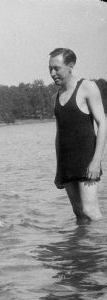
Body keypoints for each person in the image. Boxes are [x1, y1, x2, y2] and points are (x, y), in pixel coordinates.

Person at [49, 48, 107, 221]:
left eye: (57, 68)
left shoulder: (87, 87)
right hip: (66, 162)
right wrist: (59, 168)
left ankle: (101, 246)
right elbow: (59, 134)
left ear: (70, 66)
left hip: (86, 159)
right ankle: (84, 249)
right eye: (50, 68)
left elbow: (102, 123)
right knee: (79, 213)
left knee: (90, 211)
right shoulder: (55, 97)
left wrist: (96, 161)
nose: (52, 73)